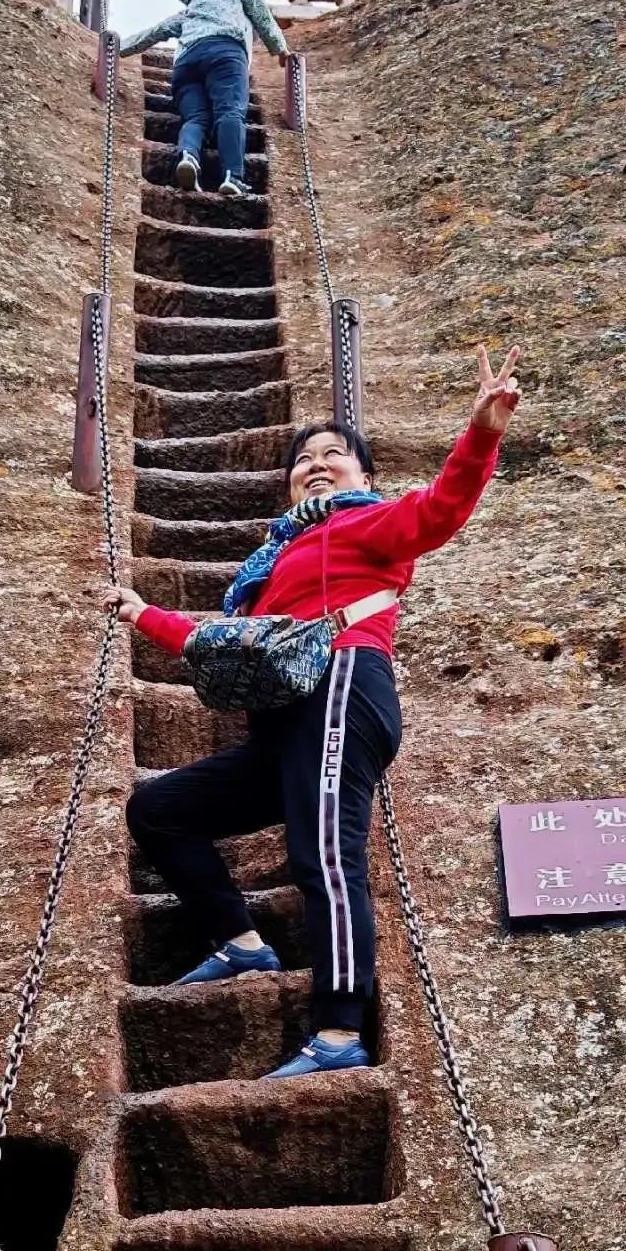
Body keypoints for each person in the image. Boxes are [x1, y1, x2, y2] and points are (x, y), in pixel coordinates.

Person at [115, 348, 523, 1077]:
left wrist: (482, 433)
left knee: (325, 854)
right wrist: (144, 614)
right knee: (159, 809)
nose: (317, 464)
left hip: (342, 683)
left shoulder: (371, 524)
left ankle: (338, 1032)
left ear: (364, 476)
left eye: (335, 454)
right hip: (284, 719)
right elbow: (231, 642)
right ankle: (241, 943)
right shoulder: (274, 560)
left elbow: (442, 508)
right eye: (303, 459)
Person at [118, 0, 289, 199]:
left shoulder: (196, 2)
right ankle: (233, 176)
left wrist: (116, 50)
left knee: (196, 118)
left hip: (186, 62)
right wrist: (281, 49)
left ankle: (188, 157)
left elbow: (159, 30)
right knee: (230, 111)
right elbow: (261, 13)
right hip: (225, 52)